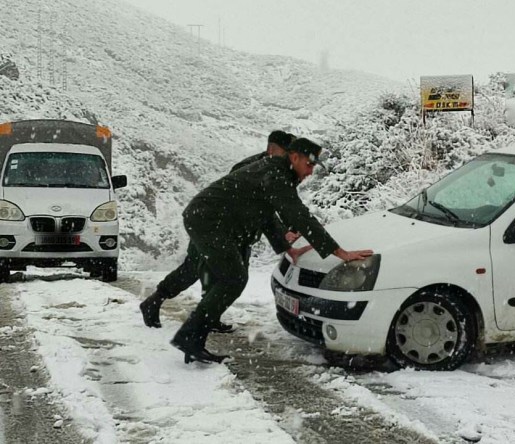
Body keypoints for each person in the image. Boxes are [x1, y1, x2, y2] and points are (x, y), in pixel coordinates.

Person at [170, 137, 373, 364]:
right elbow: (299, 214)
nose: (310, 171)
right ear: (294, 157)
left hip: (213, 220)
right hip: (209, 220)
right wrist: (340, 252)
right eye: (309, 164)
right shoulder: (276, 175)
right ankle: (190, 337)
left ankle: (191, 338)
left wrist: (287, 248)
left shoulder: (278, 172)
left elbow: (266, 213)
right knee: (233, 279)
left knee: (231, 278)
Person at [139, 130, 297, 332]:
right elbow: (261, 210)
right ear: (273, 150)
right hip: (213, 226)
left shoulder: (279, 172)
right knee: (194, 269)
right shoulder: (250, 169)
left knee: (230, 279)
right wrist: (282, 234)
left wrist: (288, 229)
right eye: (289, 153)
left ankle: (209, 316)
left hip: (239, 234)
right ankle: (155, 301)